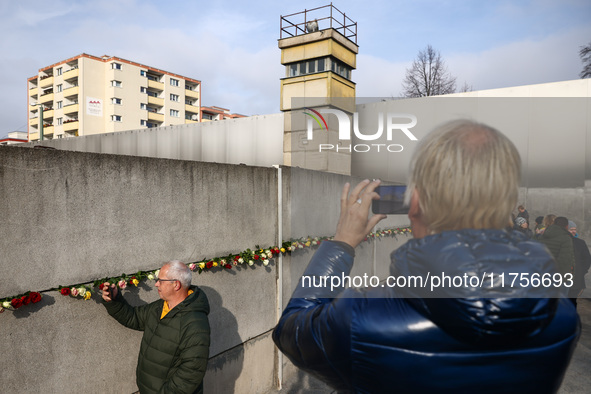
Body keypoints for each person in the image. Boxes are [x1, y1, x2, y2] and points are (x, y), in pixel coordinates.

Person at [272, 120, 580, 393]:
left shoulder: (364, 318)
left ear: (416, 202)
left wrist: (341, 245)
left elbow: (290, 332)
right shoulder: (563, 317)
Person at [102, 261, 210, 394]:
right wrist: (114, 300)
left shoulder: (195, 323)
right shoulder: (159, 307)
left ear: (176, 284)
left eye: (160, 280)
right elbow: (134, 317)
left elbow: (191, 372)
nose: (156, 284)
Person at [567, 220, 591, 308]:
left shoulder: (580, 243)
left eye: (575, 229)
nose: (574, 231)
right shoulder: (562, 242)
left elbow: (587, 259)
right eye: (571, 229)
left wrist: (582, 271)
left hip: (576, 278)